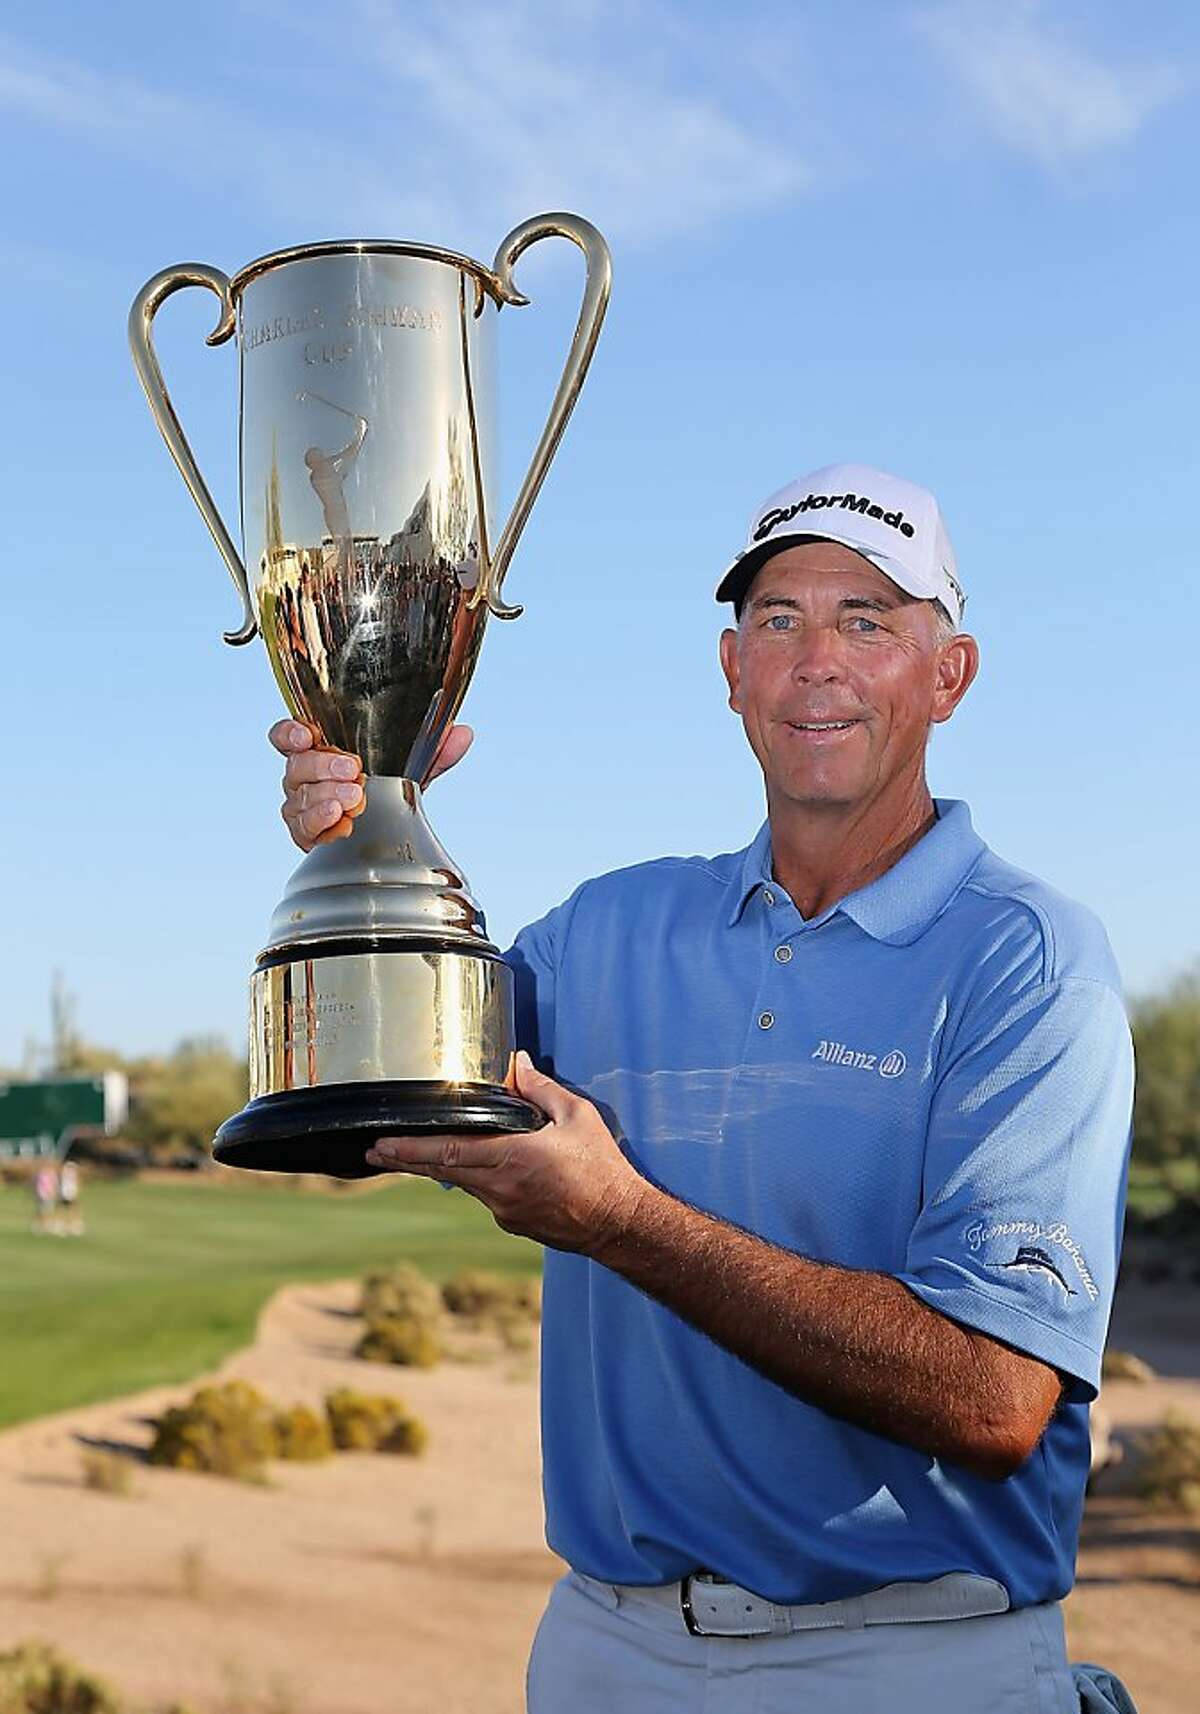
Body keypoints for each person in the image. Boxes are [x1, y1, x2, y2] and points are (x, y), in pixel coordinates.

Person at [270, 462, 1135, 1713]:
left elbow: (993, 1395)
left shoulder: (1027, 961)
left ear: (950, 675)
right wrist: (367, 835)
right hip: (607, 1647)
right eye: (779, 619)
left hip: (908, 1659)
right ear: (732, 670)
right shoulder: (606, 928)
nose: (816, 661)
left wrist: (619, 1218)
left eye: (870, 621)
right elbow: (379, 1100)